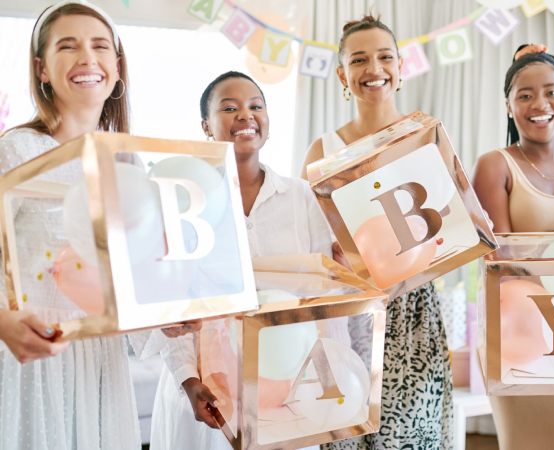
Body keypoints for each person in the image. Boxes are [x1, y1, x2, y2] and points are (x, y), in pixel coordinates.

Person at [150, 71, 333, 450]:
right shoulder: (182, 202)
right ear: (206, 126)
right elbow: (166, 300)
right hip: (209, 393)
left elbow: (322, 298)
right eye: (229, 108)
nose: (245, 115)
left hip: (288, 389)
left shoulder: (301, 197)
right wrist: (188, 379)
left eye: (256, 106)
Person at [301, 14, 453, 450]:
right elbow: (310, 244)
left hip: (413, 311)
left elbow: (452, 226)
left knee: (412, 435)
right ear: (342, 74)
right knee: (344, 433)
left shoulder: (425, 134)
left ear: (402, 67)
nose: (374, 69)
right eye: (360, 59)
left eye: (385, 57)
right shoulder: (323, 151)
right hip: (346, 315)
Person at [0, 1, 142, 449]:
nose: (87, 57)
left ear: (117, 69)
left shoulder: (128, 162)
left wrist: (171, 316)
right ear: (41, 69)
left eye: (101, 46)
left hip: (102, 357)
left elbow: (134, 270)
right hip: (34, 357)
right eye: (69, 45)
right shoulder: (18, 151)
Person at [472, 45, 554, 450]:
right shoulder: (494, 165)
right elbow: (502, 265)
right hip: (522, 337)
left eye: (551, 91)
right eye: (524, 95)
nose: (539, 104)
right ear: (508, 106)